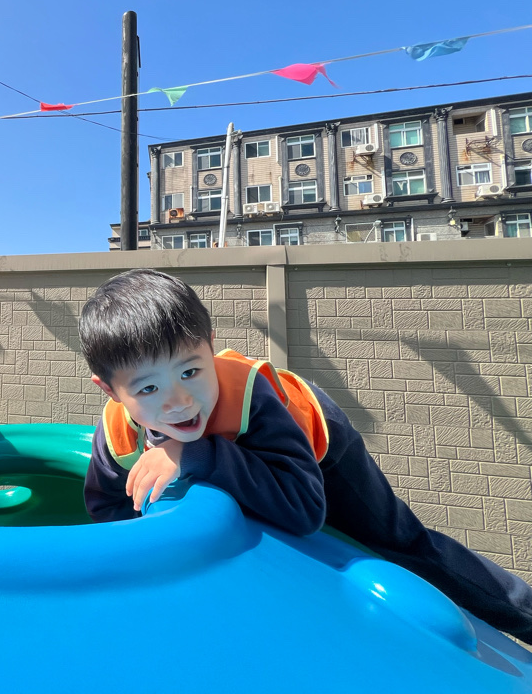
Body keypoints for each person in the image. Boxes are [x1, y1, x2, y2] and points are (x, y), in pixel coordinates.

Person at [79, 267, 532, 642]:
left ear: (211, 347)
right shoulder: (117, 431)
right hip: (248, 455)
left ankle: (522, 612)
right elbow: (106, 504)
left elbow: (304, 509)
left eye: (191, 372)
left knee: (400, 543)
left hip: (319, 443)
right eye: (149, 388)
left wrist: (196, 454)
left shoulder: (253, 399)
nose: (179, 401)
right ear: (111, 390)